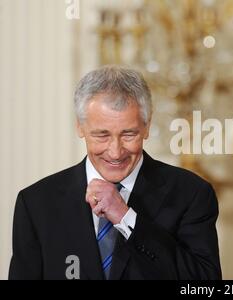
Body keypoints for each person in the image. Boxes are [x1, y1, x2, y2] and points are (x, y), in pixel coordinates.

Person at [9, 66, 221, 280]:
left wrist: (125, 217)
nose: (115, 152)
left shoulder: (191, 194)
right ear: (80, 127)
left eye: (128, 134)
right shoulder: (36, 203)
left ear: (147, 126)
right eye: (102, 135)